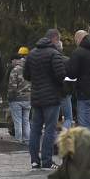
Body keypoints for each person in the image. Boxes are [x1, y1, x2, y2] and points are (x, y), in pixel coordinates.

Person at [27, 30, 69, 170]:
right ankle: (46, 160)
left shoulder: (32, 53)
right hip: (51, 98)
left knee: (35, 129)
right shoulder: (54, 54)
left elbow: (26, 74)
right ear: (55, 39)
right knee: (49, 130)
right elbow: (60, 74)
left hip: (36, 97)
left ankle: (34, 160)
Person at [7, 47, 33, 144]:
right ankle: (27, 140)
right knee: (26, 120)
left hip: (16, 99)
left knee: (18, 120)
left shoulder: (15, 70)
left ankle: (18, 140)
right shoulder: (29, 69)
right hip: (28, 98)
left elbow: (12, 86)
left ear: (17, 60)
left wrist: (10, 97)